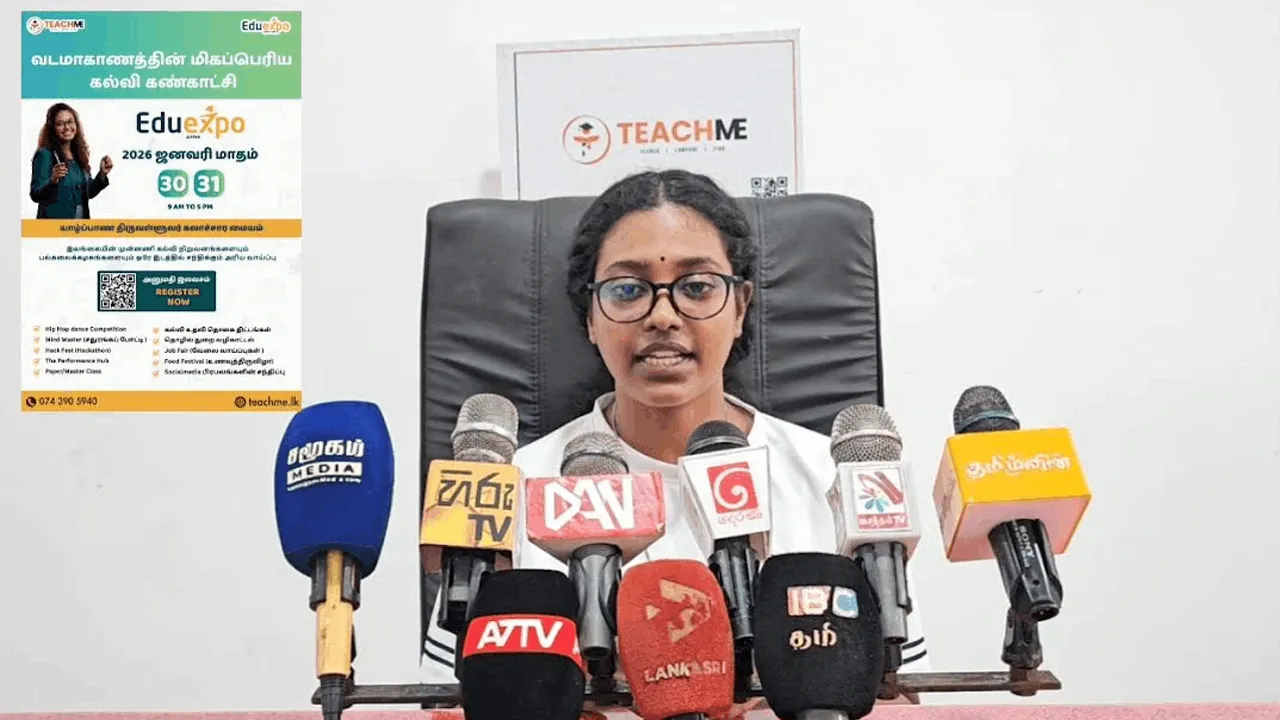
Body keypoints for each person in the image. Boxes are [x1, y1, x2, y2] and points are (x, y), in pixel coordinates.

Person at [421, 169, 929, 707]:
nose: (662, 317)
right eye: (627, 290)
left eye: (697, 287)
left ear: (740, 307)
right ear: (590, 316)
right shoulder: (509, 490)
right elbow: (445, 705)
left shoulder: (836, 479)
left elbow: (901, 701)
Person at [29, 102, 113, 219]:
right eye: (60, 124)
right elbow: (35, 194)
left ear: (76, 124)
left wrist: (102, 174)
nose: (67, 127)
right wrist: (52, 180)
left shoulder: (79, 155)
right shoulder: (45, 155)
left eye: (70, 122)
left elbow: (88, 193)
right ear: (52, 129)